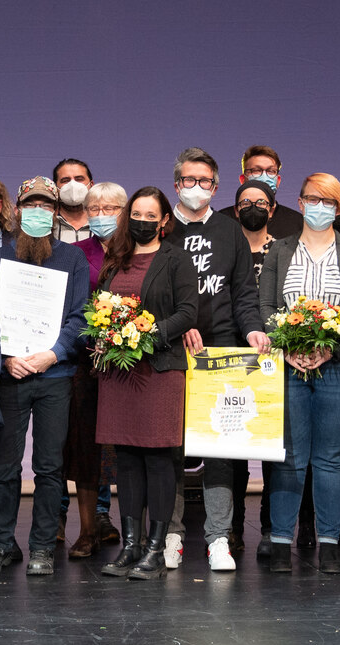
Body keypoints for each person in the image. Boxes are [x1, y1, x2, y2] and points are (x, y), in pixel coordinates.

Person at [0, 176, 92, 575]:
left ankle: (42, 545)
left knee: (48, 467)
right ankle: (1, 544)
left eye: (46, 207)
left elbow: (81, 317)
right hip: (9, 377)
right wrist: (6, 358)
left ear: (56, 214)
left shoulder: (73, 260)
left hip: (55, 377)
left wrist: (53, 354)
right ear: (17, 211)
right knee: (4, 468)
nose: (38, 213)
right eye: (32, 206)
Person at [257, 173, 340, 574]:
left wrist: (330, 347)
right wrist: (286, 347)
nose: (319, 207)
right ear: (300, 202)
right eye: (311, 199)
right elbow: (265, 306)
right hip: (287, 368)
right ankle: (282, 543)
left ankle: (329, 542)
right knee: (289, 457)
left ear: (338, 209)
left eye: (328, 201)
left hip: (339, 369)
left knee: (332, 459)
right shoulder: (280, 249)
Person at [165, 147, 268, 572]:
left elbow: (244, 293)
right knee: (168, 446)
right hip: (170, 350)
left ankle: (218, 538)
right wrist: (173, 327)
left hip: (222, 351)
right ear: (176, 185)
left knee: (221, 448)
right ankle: (170, 535)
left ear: (216, 186)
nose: (196, 188)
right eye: (188, 180)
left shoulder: (230, 232)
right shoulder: (161, 228)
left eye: (204, 181)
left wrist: (253, 329)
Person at [95, 187, 199, 580]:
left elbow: (188, 311)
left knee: (158, 459)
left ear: (163, 221)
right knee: (127, 460)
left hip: (158, 369)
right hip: (119, 373)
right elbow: (99, 307)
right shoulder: (115, 258)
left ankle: (155, 549)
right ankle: (130, 546)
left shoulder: (176, 259)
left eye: (149, 215)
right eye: (136, 213)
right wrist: (102, 331)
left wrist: (150, 335)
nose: (142, 220)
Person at [64, 182, 127, 559]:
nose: (102, 214)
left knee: (133, 451)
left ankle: (137, 531)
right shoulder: (73, 254)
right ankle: (87, 531)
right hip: (84, 364)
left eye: (111, 207)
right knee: (85, 448)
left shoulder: (139, 252)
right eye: (95, 208)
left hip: (131, 363)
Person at [217, 145, 303, 239]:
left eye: (271, 171)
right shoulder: (221, 220)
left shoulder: (297, 223)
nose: (264, 176)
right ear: (242, 180)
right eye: (256, 171)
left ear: (278, 181)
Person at [51, 158, 95, 243]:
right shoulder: (47, 225)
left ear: (91, 185)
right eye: (65, 180)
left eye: (79, 179)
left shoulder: (104, 223)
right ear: (56, 187)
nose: (72, 185)